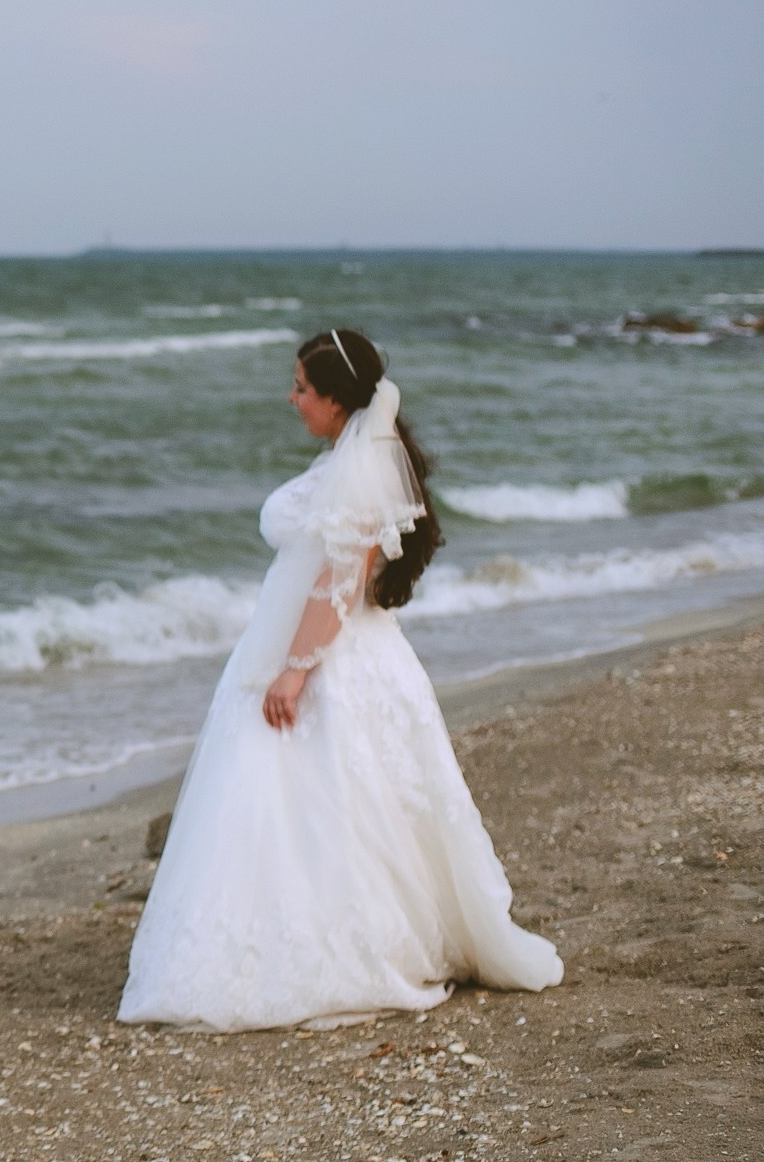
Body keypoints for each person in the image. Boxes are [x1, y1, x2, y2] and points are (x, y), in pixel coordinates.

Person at [117, 329, 560, 1031]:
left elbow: (338, 588)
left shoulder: (361, 467)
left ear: (334, 398)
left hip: (329, 659)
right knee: (332, 806)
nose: (291, 398)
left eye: (301, 387)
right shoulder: (366, 455)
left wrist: (294, 673)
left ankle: (323, 949)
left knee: (318, 802)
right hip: (343, 652)